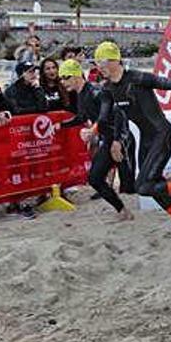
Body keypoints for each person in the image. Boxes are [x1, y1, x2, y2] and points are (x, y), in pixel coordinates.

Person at [94, 41, 171, 235]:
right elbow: (106, 115)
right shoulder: (108, 88)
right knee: (148, 185)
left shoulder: (138, 78)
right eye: (97, 63)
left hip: (163, 135)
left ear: (116, 61)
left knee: (143, 185)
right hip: (147, 140)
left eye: (103, 62)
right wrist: (97, 132)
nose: (100, 67)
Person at [57, 59, 135, 221]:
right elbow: (82, 117)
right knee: (95, 178)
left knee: (134, 186)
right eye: (61, 78)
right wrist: (60, 125)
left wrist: (116, 141)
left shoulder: (96, 92)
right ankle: (123, 211)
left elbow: (117, 114)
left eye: (66, 77)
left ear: (77, 75)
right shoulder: (81, 94)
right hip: (109, 140)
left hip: (122, 139)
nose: (63, 82)